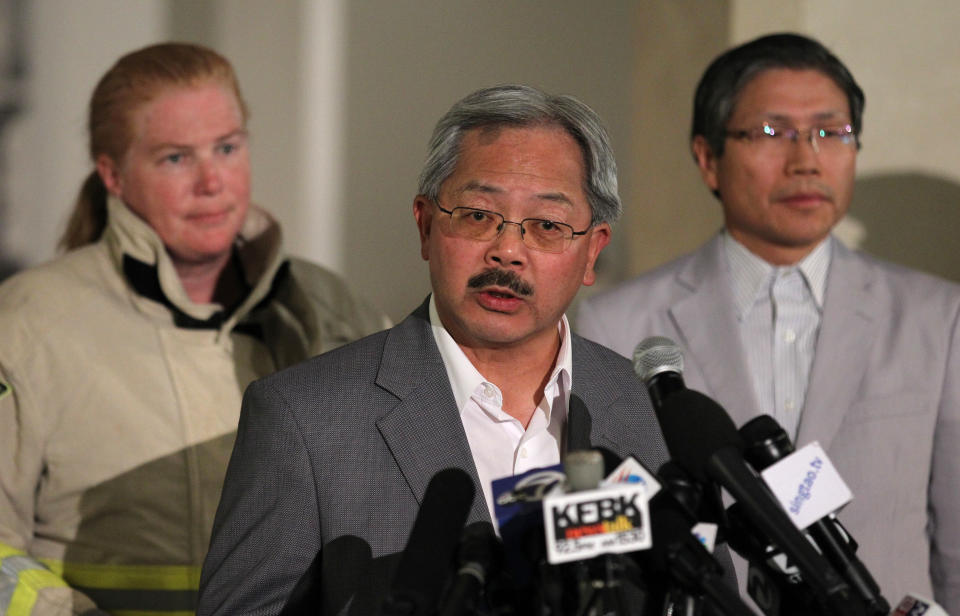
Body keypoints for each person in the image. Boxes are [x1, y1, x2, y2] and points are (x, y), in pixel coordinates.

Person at [197, 85, 679, 614]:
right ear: (426, 224)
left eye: (546, 226)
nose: (508, 250)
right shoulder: (303, 418)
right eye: (477, 215)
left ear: (593, 250)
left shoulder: (648, 412)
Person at [0, 42, 388, 615]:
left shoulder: (330, 304)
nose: (212, 182)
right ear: (113, 174)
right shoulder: (27, 323)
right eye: (175, 158)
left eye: (227, 147)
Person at [576, 32, 960, 611]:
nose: (806, 160)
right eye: (772, 132)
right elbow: (610, 542)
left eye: (831, 133)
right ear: (708, 158)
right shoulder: (617, 320)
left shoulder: (938, 316)